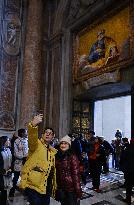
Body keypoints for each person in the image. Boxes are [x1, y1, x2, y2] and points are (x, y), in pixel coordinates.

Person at [19, 114, 57, 205]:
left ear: (53, 137)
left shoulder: (53, 152)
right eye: (46, 132)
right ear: (42, 135)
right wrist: (33, 125)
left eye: (50, 133)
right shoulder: (36, 145)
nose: (48, 134)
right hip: (34, 185)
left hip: (46, 185)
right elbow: (32, 138)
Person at [55, 135, 82, 205]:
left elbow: (76, 176)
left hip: (71, 189)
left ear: (69, 145)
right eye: (61, 143)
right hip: (61, 188)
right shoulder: (57, 156)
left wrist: (78, 192)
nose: (63, 145)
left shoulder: (72, 157)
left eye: (65, 143)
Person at [9, 128, 28, 199]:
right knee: (16, 178)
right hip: (19, 162)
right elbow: (15, 153)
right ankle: (12, 191)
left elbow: (28, 150)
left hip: (26, 162)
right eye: (26, 132)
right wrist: (22, 157)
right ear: (22, 133)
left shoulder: (27, 141)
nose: (27, 134)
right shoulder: (16, 141)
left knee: (25, 178)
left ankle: (25, 192)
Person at [120, 138, 134, 204]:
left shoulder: (127, 148)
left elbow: (122, 158)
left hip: (129, 170)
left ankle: (128, 200)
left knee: (129, 186)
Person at [0, 136, 12, 205]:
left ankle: (5, 201)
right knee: (2, 189)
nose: (9, 142)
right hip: (2, 173)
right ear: (3, 141)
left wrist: (10, 169)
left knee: (6, 188)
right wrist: (4, 171)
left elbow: (10, 160)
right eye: (8, 140)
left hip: (8, 172)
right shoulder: (0, 151)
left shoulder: (9, 149)